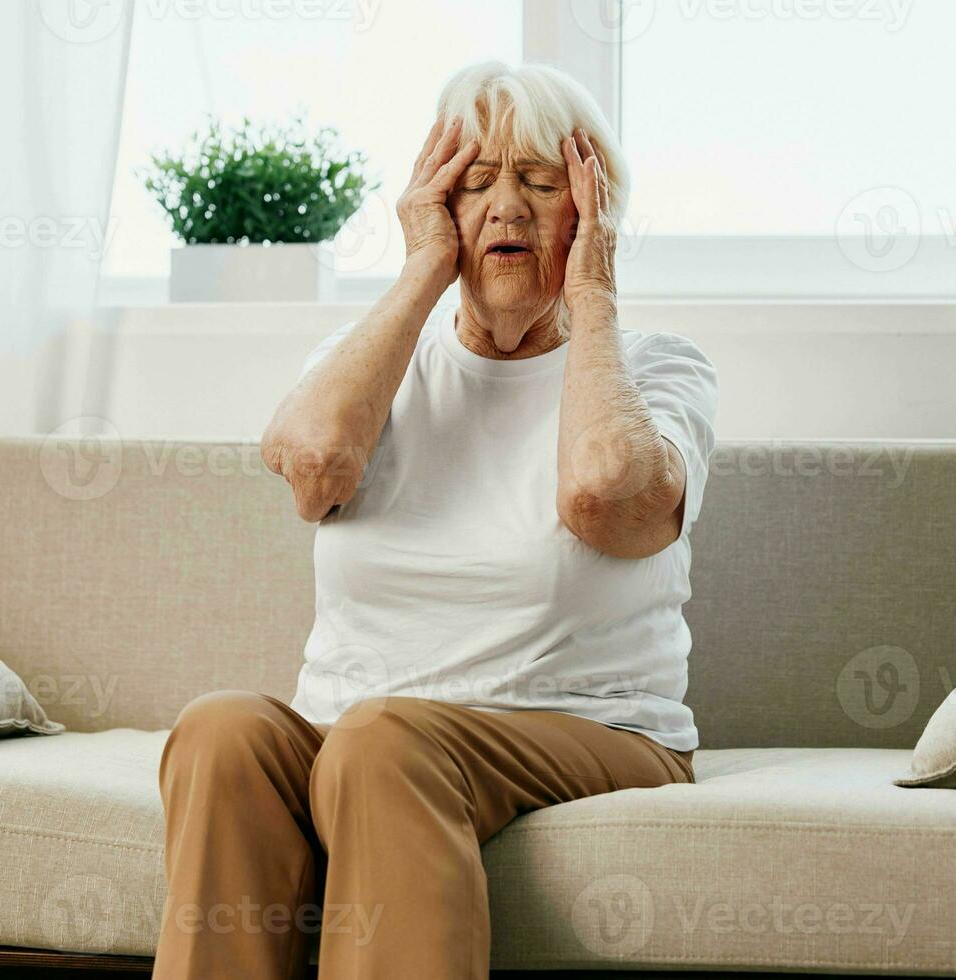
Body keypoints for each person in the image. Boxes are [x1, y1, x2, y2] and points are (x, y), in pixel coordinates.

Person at [152, 59, 719, 980]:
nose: (507, 208)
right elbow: (310, 469)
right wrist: (422, 270)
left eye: (541, 183)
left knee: (383, 740)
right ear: (436, 206)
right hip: (360, 730)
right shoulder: (373, 359)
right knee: (222, 732)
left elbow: (604, 496)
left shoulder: (655, 370)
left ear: (593, 212)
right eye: (476, 184)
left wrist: (593, 296)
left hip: (588, 730)